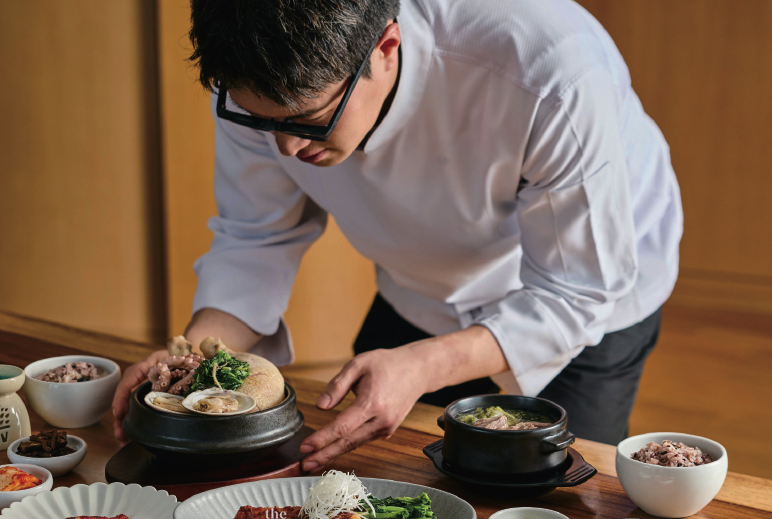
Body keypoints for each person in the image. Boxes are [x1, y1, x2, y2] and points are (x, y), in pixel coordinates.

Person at [112, 0, 682, 473]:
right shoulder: (256, 75)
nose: (286, 148)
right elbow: (254, 235)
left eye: (307, 121)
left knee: (550, 499)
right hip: (422, 284)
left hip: (586, 294)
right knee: (378, 477)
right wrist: (189, 362)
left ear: (386, 47)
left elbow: (576, 290)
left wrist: (424, 366)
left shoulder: (550, 69)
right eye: (261, 122)